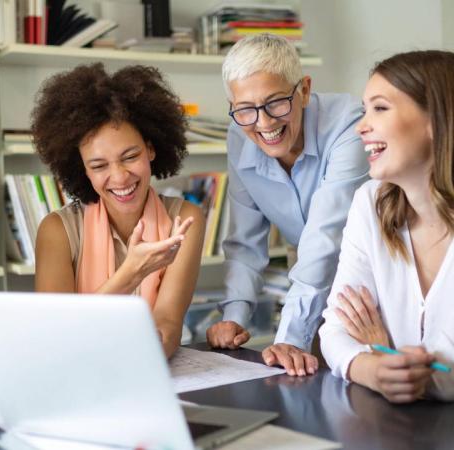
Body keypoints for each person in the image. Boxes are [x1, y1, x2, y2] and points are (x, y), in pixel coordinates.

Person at [206, 34, 369, 376]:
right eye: (245, 109)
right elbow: (244, 240)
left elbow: (325, 238)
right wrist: (234, 317)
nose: (264, 123)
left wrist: (291, 338)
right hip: (312, 291)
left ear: (304, 90)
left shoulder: (349, 124)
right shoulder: (239, 135)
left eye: (276, 102)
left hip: (372, 286)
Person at [31, 63, 204, 358]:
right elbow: (55, 337)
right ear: (82, 170)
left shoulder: (185, 220)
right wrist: (132, 273)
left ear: (151, 149)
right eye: (99, 165)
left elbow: (167, 328)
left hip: (146, 374)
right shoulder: (57, 231)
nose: (121, 177)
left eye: (130, 156)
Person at [320, 50, 454, 402]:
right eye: (365, 110)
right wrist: (374, 370)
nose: (361, 126)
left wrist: (383, 346)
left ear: (435, 121)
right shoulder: (370, 202)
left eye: (380, 108)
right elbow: (335, 328)